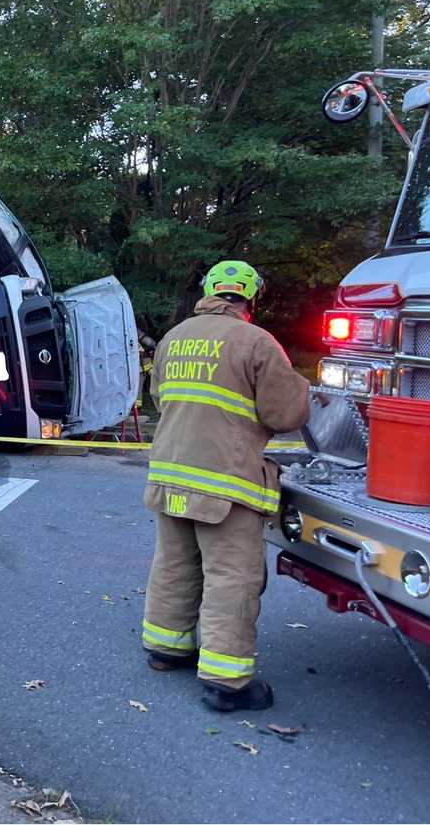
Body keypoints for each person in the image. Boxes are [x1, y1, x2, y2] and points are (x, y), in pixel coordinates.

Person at [140, 260, 310, 712]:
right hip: (224, 480)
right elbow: (285, 415)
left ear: (208, 292)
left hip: (171, 470)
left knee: (174, 562)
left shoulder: (174, 338)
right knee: (232, 576)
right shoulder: (257, 341)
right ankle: (227, 681)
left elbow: (161, 398)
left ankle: (165, 648)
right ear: (251, 299)